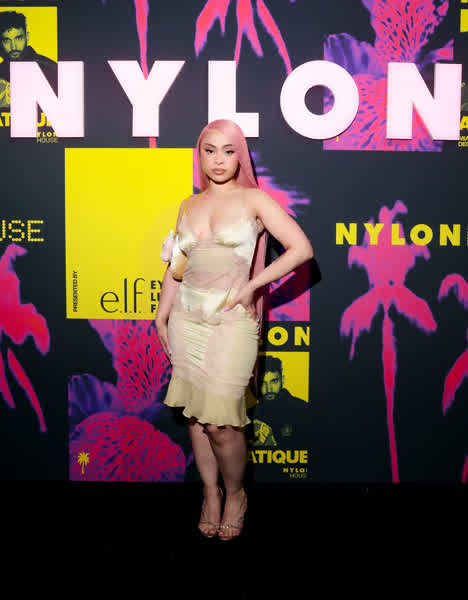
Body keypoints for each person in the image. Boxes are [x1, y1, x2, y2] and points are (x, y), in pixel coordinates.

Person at [155, 119, 313, 541]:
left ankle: (237, 494)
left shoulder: (255, 200)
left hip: (231, 321)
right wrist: (161, 314)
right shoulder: (189, 205)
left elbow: (301, 249)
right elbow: (177, 267)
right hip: (187, 319)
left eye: (228, 151)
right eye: (210, 150)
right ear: (200, 155)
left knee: (221, 423)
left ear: (240, 156)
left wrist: (253, 286)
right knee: (196, 416)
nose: (219, 160)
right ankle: (210, 494)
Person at [251, 355, 311, 450]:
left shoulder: (302, 409)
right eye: (263, 382)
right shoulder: (250, 414)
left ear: (282, 380)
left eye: (274, 381)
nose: (269, 389)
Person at [0, 10, 56, 103]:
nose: (14, 47)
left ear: (27, 37)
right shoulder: (1, 71)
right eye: (6, 40)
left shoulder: (49, 68)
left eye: (18, 38)